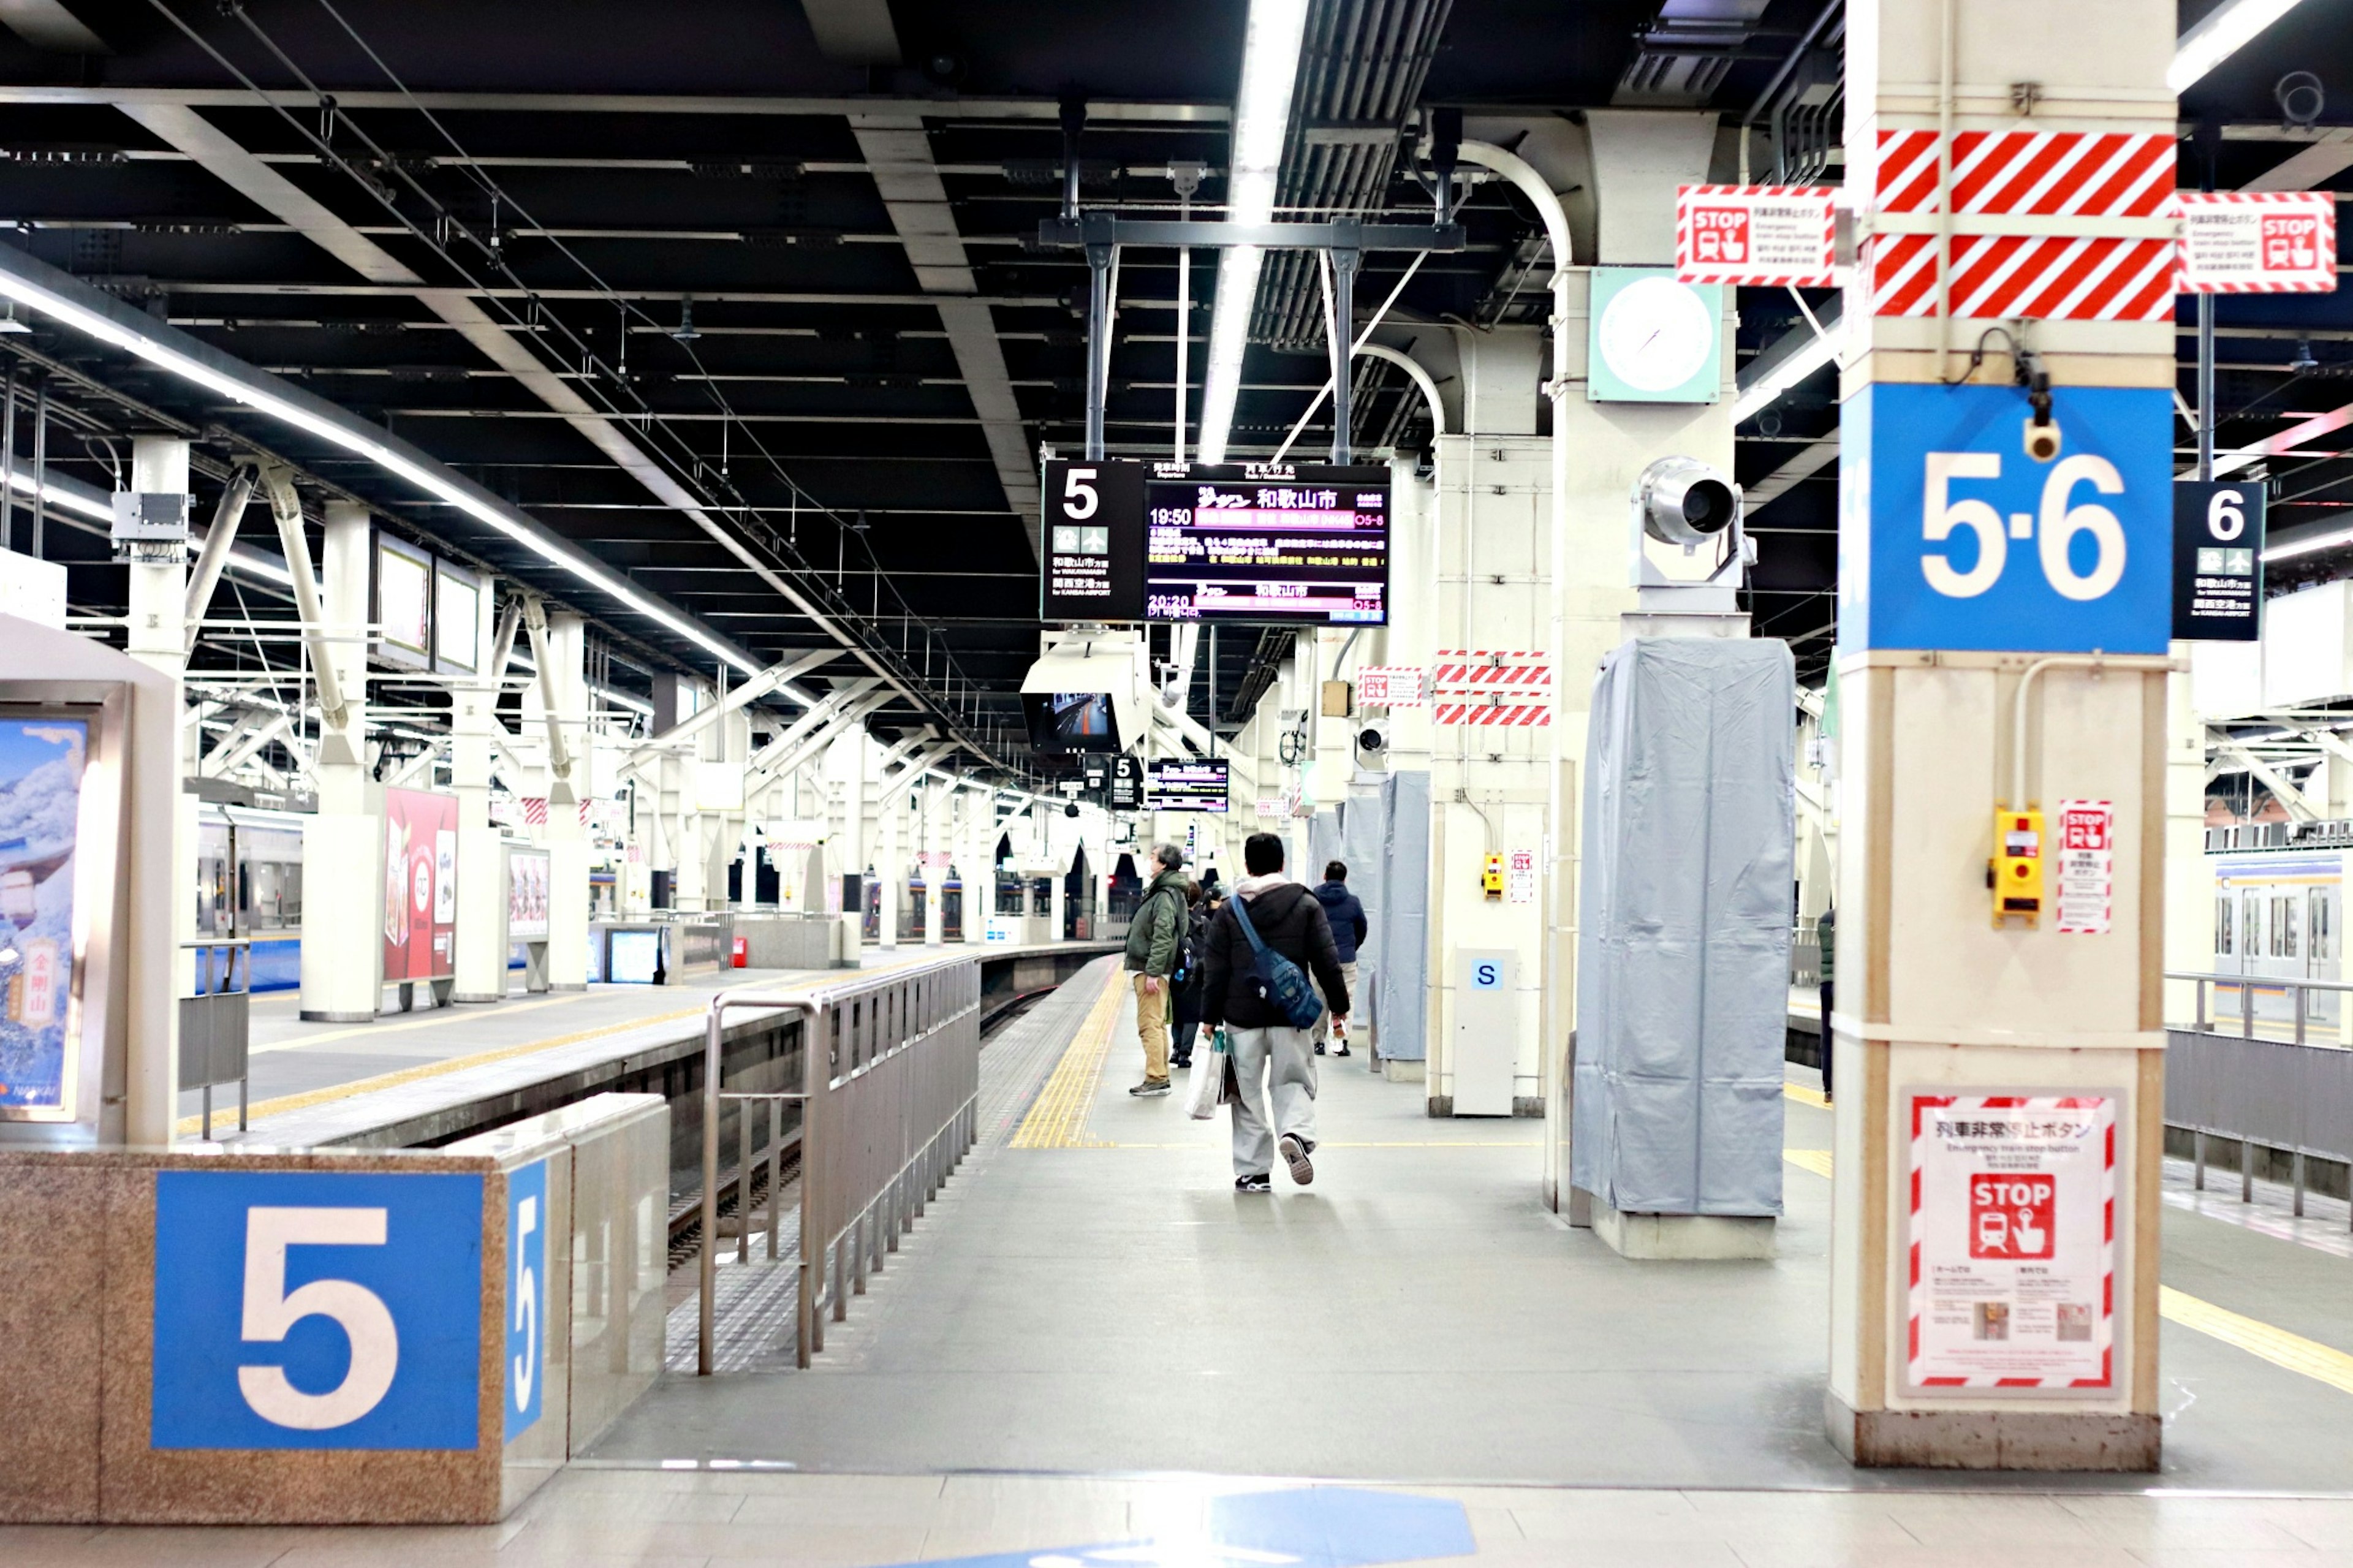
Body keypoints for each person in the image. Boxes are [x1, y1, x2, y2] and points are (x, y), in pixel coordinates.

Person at [1200, 832, 1350, 1192]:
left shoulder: (1230, 910)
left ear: (1248, 866)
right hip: (1291, 1014)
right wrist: (1339, 1007)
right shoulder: (1305, 904)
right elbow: (1327, 960)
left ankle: (1254, 1172)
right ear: (1281, 864)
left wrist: (1208, 1017)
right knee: (1293, 1080)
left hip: (1241, 1016)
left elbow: (1215, 968)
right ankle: (1295, 1135)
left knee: (1247, 1095)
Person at [1121, 843, 1191, 1097]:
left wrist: (1152, 971)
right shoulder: (1168, 892)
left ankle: (1156, 1077)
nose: (1149, 861)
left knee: (1149, 1024)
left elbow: (1163, 935)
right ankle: (1160, 1075)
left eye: (1152, 857)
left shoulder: (1164, 895)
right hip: (1155, 969)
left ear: (1163, 864)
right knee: (1158, 1024)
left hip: (1151, 970)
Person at [1309, 859, 1368, 1058]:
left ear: (1324, 877)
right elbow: (1362, 929)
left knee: (1320, 999)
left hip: (1319, 958)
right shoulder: (1353, 902)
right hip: (1345, 958)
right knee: (1346, 1000)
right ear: (1345, 879)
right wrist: (1351, 947)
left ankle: (1318, 1042)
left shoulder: (1313, 898)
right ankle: (1340, 1042)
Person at [1170, 881, 1208, 1070]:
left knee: (1177, 1013)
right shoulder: (1204, 922)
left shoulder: (1175, 920)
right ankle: (1185, 1053)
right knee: (1192, 1015)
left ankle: (1176, 1049)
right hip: (1198, 973)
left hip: (1177, 972)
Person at [1815, 904, 1836, 1104]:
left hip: (1826, 985)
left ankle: (1829, 1089)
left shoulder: (1825, 920)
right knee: (1846, 1038)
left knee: (1827, 1038)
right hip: (1846, 988)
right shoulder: (1854, 921)